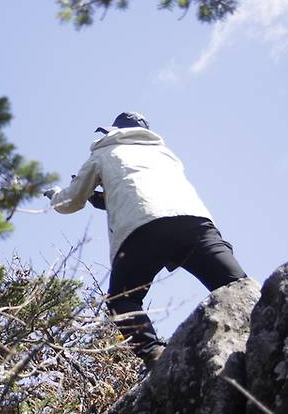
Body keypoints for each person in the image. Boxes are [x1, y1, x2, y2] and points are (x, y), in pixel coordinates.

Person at [44, 111, 247, 368]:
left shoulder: (103, 152)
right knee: (236, 285)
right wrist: (105, 200)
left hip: (141, 232)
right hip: (194, 222)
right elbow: (148, 191)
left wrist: (54, 195)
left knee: (122, 299)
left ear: (114, 131)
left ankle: (154, 353)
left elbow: (70, 201)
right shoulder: (165, 154)